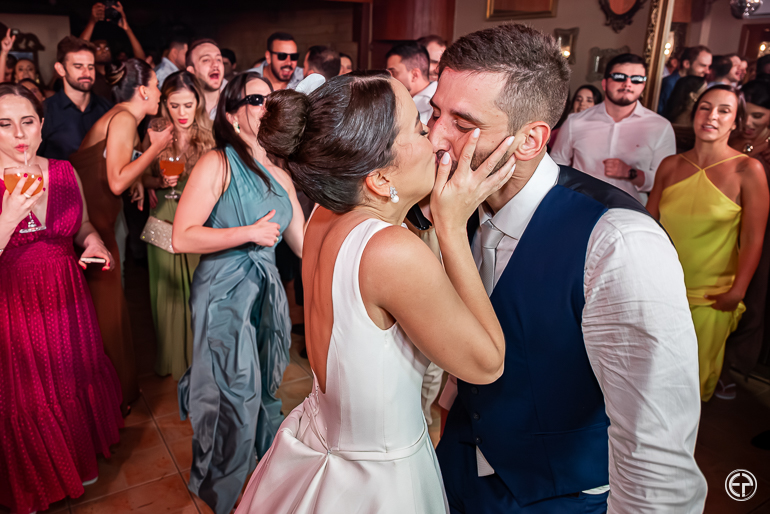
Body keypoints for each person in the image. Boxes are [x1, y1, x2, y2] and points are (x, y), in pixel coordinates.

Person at [433, 24, 706, 513]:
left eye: (461, 123)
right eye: (435, 113)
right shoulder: (459, 202)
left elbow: (656, 446)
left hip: (557, 494)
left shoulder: (618, 243)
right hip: (454, 471)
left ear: (530, 139)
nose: (435, 136)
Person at [235, 68, 510, 514]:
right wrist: (452, 226)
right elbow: (487, 364)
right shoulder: (389, 251)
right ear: (379, 179)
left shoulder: (326, 211)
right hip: (375, 476)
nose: (436, 139)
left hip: (318, 438)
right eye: (419, 129)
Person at [173, 71, 305, 514]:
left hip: (265, 292)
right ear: (232, 114)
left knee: (265, 388)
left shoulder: (281, 173)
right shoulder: (219, 162)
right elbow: (182, 236)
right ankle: (221, 490)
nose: (267, 106)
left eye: (272, 99)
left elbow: (305, 246)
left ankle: (264, 481)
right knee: (233, 392)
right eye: (256, 100)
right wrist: (247, 233)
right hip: (223, 290)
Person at [0, 84, 123, 514]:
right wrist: (8, 219)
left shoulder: (65, 172)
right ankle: (39, 483)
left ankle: (75, 462)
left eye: (27, 121)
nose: (19, 133)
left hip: (67, 299)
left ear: (41, 125)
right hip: (13, 308)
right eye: (4, 124)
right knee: (28, 399)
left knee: (73, 381)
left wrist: (94, 242)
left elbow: (82, 224)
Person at [647, 85, 769, 403]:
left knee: (691, 383)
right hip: (662, 289)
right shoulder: (670, 165)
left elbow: (753, 238)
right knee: (652, 376)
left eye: (724, 110)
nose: (712, 116)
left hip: (711, 296)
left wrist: (738, 291)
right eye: (705, 107)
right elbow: (648, 228)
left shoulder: (748, 170)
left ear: (736, 122)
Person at [69, 58, 174, 414]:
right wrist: (156, 148)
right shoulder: (125, 117)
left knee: (110, 305)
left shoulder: (122, 117)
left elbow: (119, 170)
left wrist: (142, 179)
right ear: (142, 90)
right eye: (156, 85)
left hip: (101, 216)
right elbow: (115, 180)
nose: (159, 93)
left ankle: (115, 393)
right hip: (94, 222)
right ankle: (110, 398)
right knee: (107, 308)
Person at [142, 70, 213, 380]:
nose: (182, 113)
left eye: (188, 105)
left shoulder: (211, 135)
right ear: (164, 104)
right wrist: (156, 182)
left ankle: (201, 361)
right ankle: (173, 361)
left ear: (198, 102)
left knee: (199, 292)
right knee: (167, 294)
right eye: (174, 105)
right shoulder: (155, 132)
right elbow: (138, 177)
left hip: (198, 219)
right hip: (163, 215)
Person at [552, 53, 675, 204]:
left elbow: (664, 180)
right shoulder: (575, 122)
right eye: (619, 77)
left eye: (636, 79)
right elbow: (557, 167)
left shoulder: (660, 127)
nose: (628, 84)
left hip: (631, 210)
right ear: (604, 83)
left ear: (643, 85)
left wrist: (630, 173)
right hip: (581, 206)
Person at [719, 80, 770, 399]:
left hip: (759, 228)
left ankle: (731, 366)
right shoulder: (729, 136)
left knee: (752, 296)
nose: (749, 123)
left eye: (759, 116)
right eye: (745, 114)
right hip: (721, 229)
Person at [38, 36, 113, 161]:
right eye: (78, 67)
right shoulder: (44, 112)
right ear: (61, 69)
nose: (87, 73)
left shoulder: (107, 109)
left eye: (90, 67)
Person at [386, 41, 436, 124]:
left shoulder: (435, 105)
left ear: (414, 75)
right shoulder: (393, 98)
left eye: (394, 73)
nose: (389, 79)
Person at [658, 45, 712, 115]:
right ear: (686, 64)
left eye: (708, 66)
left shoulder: (698, 84)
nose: (707, 71)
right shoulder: (670, 83)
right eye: (703, 65)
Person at [185, 38, 224, 120]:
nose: (215, 64)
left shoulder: (235, 104)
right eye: (206, 60)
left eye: (218, 59)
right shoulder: (183, 109)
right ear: (191, 70)